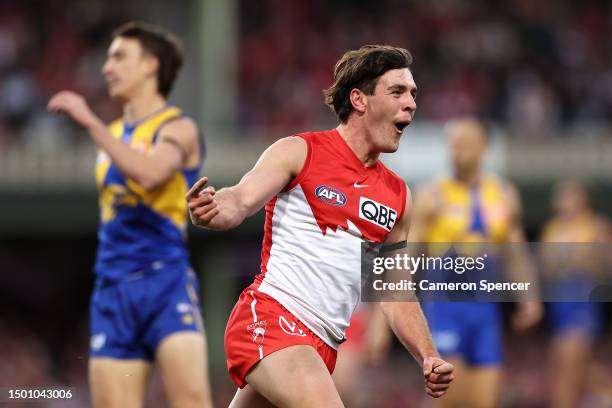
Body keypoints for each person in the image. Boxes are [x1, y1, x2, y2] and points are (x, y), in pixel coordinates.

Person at [187, 45, 454, 407]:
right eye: (397, 92)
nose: (411, 103)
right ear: (359, 99)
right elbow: (241, 198)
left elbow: (395, 291)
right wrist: (215, 209)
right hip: (272, 318)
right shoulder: (300, 151)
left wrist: (428, 354)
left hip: (322, 346)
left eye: (413, 94)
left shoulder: (399, 196)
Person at [47, 21, 213, 408]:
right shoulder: (115, 132)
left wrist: (90, 122)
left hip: (164, 280)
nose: (107, 68)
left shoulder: (177, 127)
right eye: (107, 58)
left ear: (150, 66)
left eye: (119, 56)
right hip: (112, 288)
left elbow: (151, 173)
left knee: (191, 401)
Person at [397, 118, 542, 408]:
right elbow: (405, 257)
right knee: (452, 397)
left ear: (484, 147)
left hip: (485, 314)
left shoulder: (503, 196)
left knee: (484, 401)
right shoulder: (432, 196)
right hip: (445, 310)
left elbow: (515, 253)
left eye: (464, 144)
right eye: (452, 145)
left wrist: (530, 298)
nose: (455, 151)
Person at [541, 180, 609, 408]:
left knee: (571, 362)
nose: (563, 203)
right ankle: (605, 393)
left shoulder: (596, 226)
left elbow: (604, 266)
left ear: (582, 199)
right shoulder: (553, 229)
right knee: (561, 364)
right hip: (560, 304)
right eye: (560, 197)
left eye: (569, 196)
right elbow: (546, 269)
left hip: (583, 301)